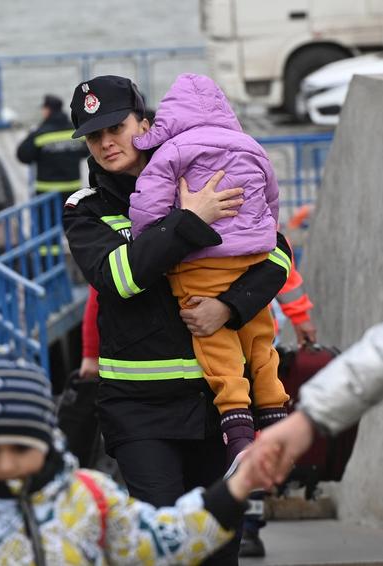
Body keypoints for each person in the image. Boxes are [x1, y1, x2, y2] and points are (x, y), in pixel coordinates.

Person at [64, 75, 293, 564]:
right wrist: (189, 220)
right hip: (140, 410)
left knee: (218, 551)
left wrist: (230, 306)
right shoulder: (87, 210)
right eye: (93, 135)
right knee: (164, 548)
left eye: (116, 128)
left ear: (145, 125)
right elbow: (120, 277)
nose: (106, 143)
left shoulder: (206, 170)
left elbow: (277, 256)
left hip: (218, 407)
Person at [0, 359, 281, 565]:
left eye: (21, 449)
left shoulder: (88, 497)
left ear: (47, 442)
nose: (6, 464)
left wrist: (235, 488)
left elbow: (159, 541)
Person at [128, 73, 288, 467]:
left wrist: (151, 231)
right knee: (260, 344)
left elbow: (148, 210)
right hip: (251, 259)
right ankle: (277, 424)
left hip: (201, 264)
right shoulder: (250, 146)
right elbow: (272, 201)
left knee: (219, 353)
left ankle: (239, 439)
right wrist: (261, 234)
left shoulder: (171, 153)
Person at [250, 221, 383, 482]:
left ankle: (248, 493)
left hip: (254, 339)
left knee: (254, 410)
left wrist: (299, 315)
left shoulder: (253, 210)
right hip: (224, 339)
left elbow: (278, 259)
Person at [16, 94, 89, 204]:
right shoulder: (76, 131)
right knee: (70, 220)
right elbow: (86, 151)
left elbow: (23, 156)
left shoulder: (40, 134)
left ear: (47, 110)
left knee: (47, 221)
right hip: (72, 191)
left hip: (46, 193)